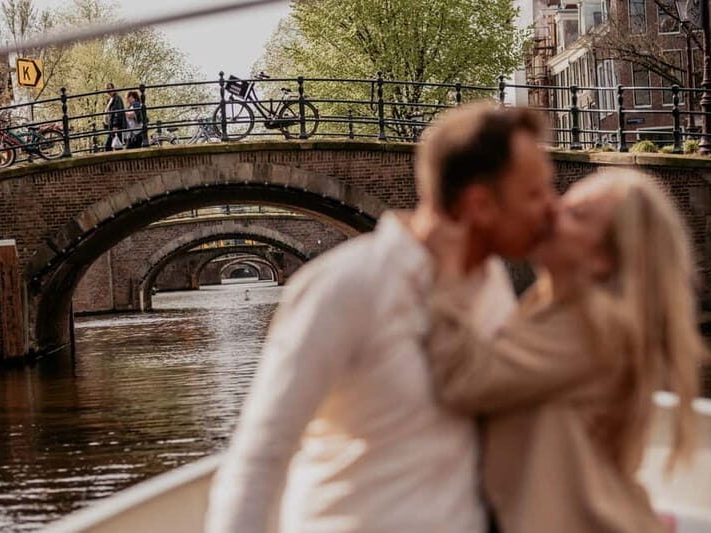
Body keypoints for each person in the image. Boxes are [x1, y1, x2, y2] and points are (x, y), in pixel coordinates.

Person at [205, 102, 556, 533]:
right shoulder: (346, 286)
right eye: (536, 193)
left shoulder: (492, 285)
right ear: (480, 204)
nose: (552, 209)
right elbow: (259, 458)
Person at [425, 169, 705, 533]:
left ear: (602, 260)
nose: (551, 212)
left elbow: (465, 381)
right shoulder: (546, 306)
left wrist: (448, 272)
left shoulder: (594, 327)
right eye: (563, 201)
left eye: (576, 215)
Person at [103, 83, 125, 151]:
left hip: (115, 126)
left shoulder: (117, 99)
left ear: (113, 88)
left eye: (109, 89)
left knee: (110, 145)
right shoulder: (110, 100)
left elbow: (118, 112)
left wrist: (115, 125)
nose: (108, 91)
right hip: (111, 125)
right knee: (116, 144)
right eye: (107, 89)